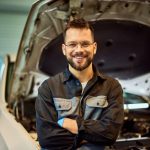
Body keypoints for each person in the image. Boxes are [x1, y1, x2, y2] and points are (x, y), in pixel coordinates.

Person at [35, 18, 124, 150]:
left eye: (85, 44)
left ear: (94, 48)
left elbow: (110, 134)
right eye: (72, 44)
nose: (79, 50)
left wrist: (72, 125)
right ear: (64, 49)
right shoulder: (48, 88)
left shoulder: (112, 87)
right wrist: (91, 137)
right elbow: (47, 139)